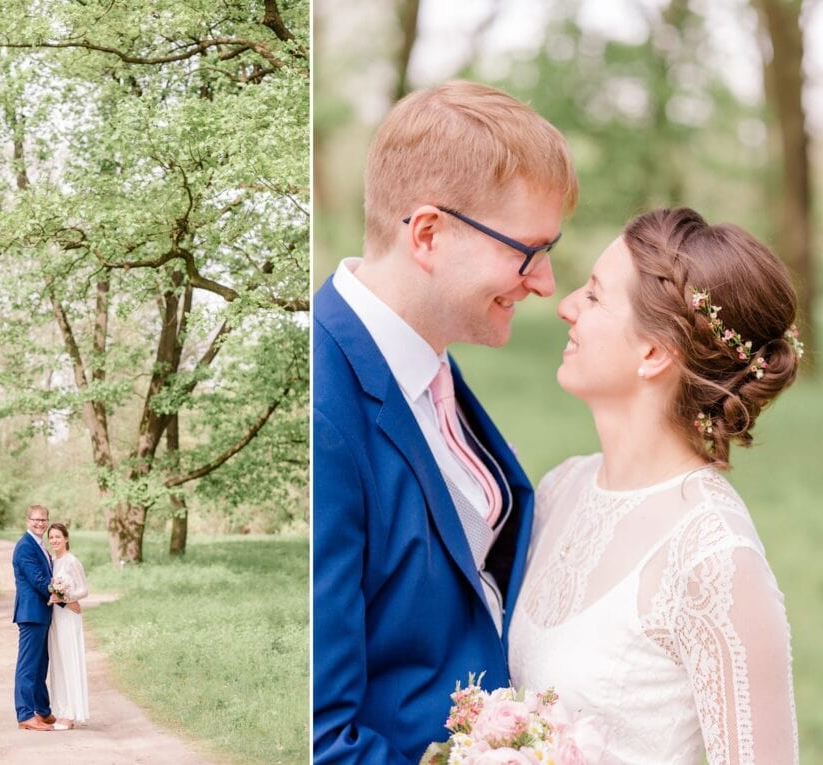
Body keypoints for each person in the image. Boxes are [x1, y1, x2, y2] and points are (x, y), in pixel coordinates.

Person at [313, 80, 579, 764]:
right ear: (428, 234)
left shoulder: (427, 365)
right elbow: (322, 738)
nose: (545, 283)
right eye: (527, 249)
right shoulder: (321, 408)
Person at [508, 207, 801, 762]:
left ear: (654, 352)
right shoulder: (561, 487)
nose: (566, 306)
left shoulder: (713, 560)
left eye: (594, 296)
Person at [12, 503, 57, 731]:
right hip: (31, 614)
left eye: (43, 520)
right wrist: (60, 593)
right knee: (28, 666)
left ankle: (43, 710)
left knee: (40, 666)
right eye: (36, 519)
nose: (40, 523)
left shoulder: (40, 546)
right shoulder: (25, 547)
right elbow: (39, 580)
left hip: (42, 613)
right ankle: (25, 715)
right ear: (27, 520)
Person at [46, 522, 89, 729]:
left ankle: (71, 714)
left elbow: (84, 590)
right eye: (51, 537)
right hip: (55, 616)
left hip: (69, 617)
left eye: (58, 537)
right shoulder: (52, 561)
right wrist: (59, 598)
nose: (54, 540)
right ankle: (62, 711)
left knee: (69, 660)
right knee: (59, 663)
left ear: (66, 538)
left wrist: (67, 597)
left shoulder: (72, 562)